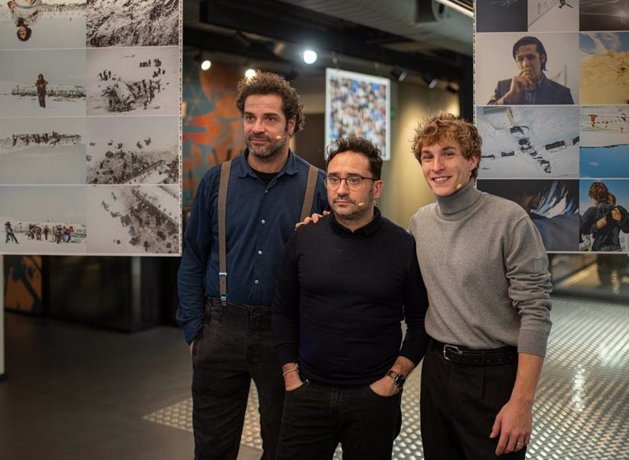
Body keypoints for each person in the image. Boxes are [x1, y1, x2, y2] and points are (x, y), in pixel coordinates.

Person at [176, 71, 329, 460]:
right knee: (212, 446)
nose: (257, 128)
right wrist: (194, 328)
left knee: (283, 445)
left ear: (291, 123)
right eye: (250, 117)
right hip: (219, 329)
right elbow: (193, 255)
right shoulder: (216, 181)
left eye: (270, 119)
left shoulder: (319, 187)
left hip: (285, 335)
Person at [271, 136, 428, 460]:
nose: (341, 189)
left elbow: (420, 323)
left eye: (354, 180)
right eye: (334, 179)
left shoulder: (402, 246)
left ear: (377, 188)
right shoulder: (304, 238)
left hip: (373, 399)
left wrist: (393, 380)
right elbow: (283, 311)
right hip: (307, 393)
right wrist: (290, 376)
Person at [408, 113, 552, 459]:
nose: (436, 166)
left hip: (493, 378)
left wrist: (521, 403)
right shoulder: (420, 223)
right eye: (428, 156)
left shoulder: (509, 219)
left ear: (472, 161)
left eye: (448, 154)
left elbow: (535, 313)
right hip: (437, 374)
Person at [488, 36, 574, 105]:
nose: (525, 64)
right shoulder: (502, 87)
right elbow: (484, 114)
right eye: (520, 59)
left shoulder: (562, 93)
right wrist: (509, 97)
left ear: (542, 58)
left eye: (531, 57)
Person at [580, 183, 629, 252]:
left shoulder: (592, 211)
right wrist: (596, 226)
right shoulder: (619, 209)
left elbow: (581, 230)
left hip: (600, 249)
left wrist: (620, 219)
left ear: (592, 197)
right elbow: (627, 229)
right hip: (615, 249)